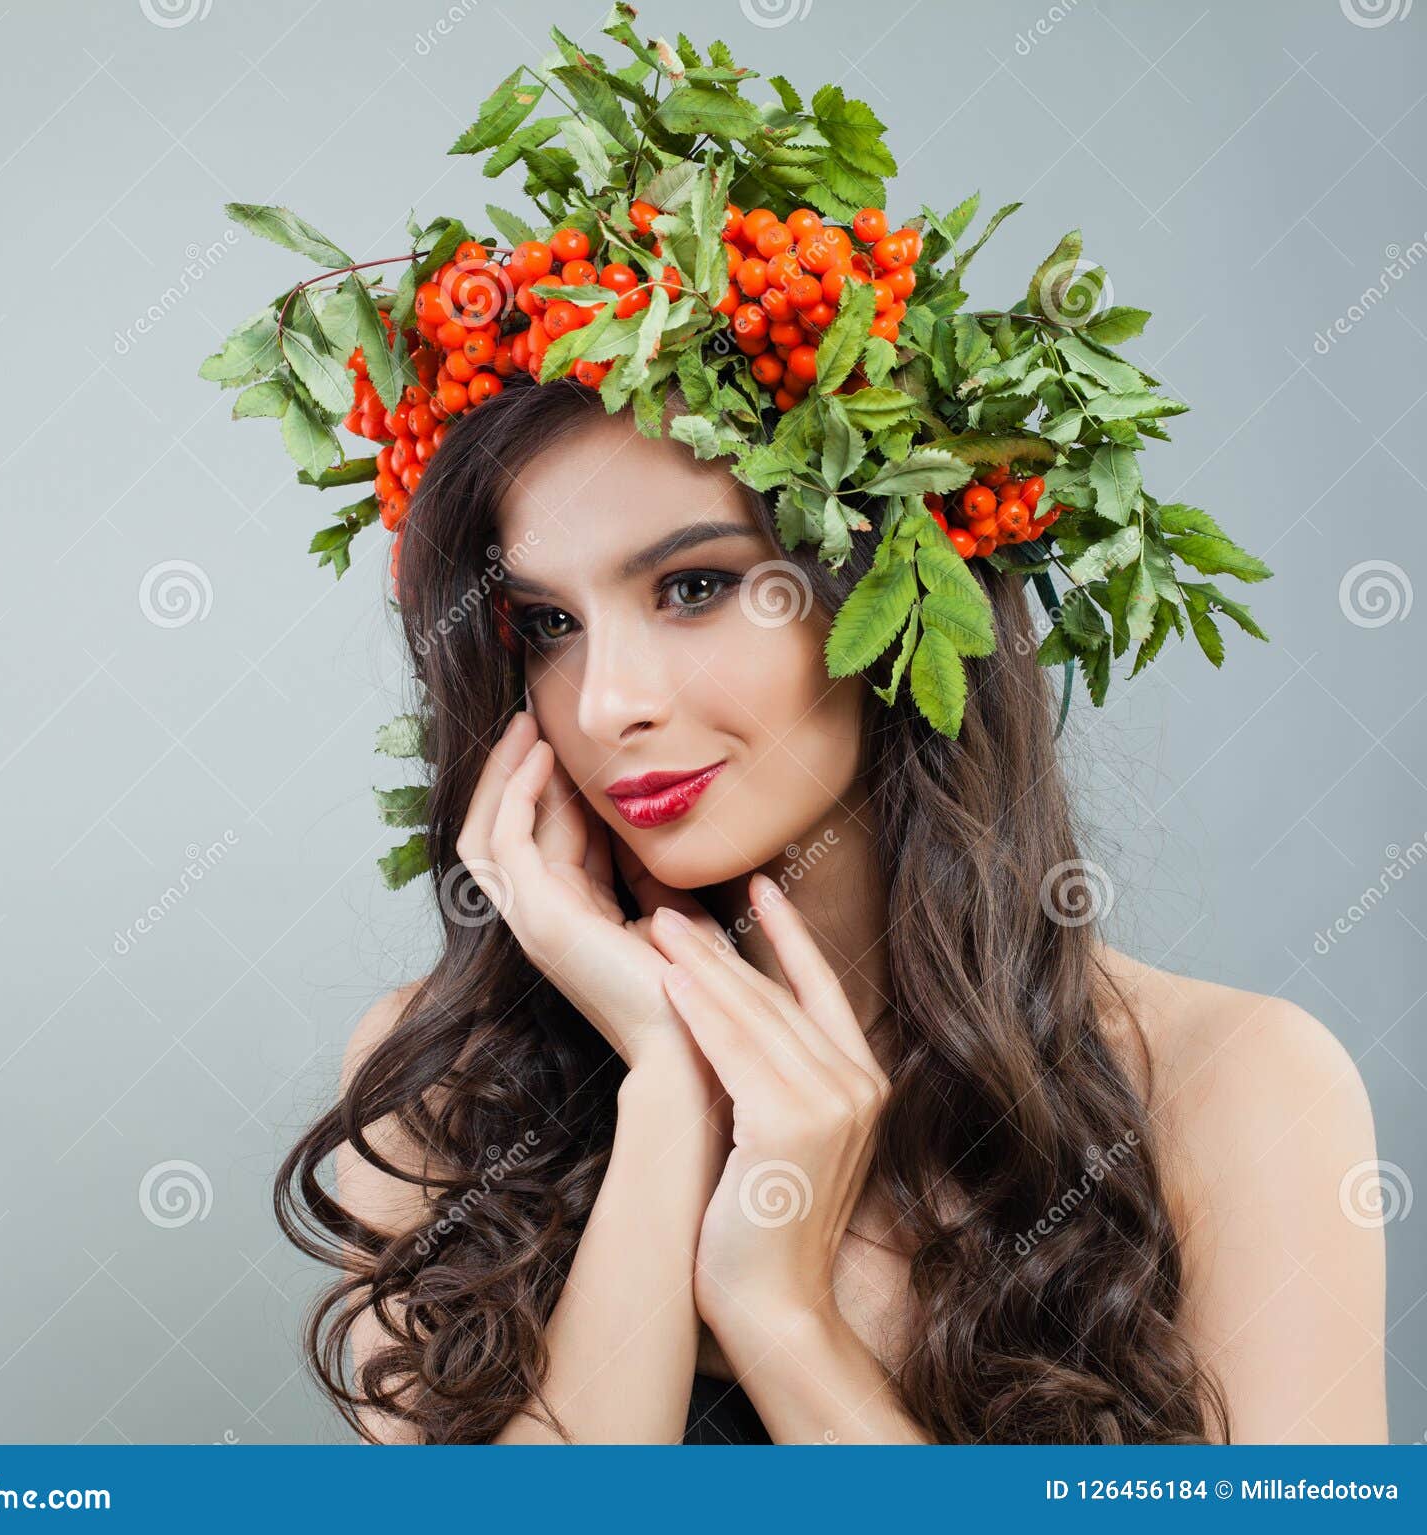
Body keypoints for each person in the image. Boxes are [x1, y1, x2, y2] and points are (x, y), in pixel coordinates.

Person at [273, 376, 1387, 1444]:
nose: (608, 702)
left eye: (694, 586)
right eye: (548, 622)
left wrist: (780, 1317)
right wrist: (669, 1092)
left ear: (901, 586)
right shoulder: (445, 1083)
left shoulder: (1234, 1084)